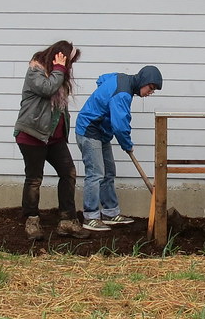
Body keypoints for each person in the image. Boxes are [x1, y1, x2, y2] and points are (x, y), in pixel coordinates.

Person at [14, 40, 91, 239]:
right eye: (69, 61)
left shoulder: (58, 75)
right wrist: (59, 68)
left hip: (54, 139)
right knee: (34, 179)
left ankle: (66, 221)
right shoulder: (35, 71)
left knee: (68, 173)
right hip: (32, 136)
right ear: (59, 57)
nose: (70, 67)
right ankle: (32, 221)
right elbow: (46, 89)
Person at [74, 66, 163, 232]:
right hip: (89, 130)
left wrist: (103, 101)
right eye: (151, 88)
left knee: (109, 172)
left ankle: (110, 213)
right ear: (143, 81)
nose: (151, 92)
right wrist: (127, 144)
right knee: (96, 173)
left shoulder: (121, 78)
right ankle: (90, 217)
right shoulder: (123, 93)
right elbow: (120, 126)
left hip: (101, 132)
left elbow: (101, 78)